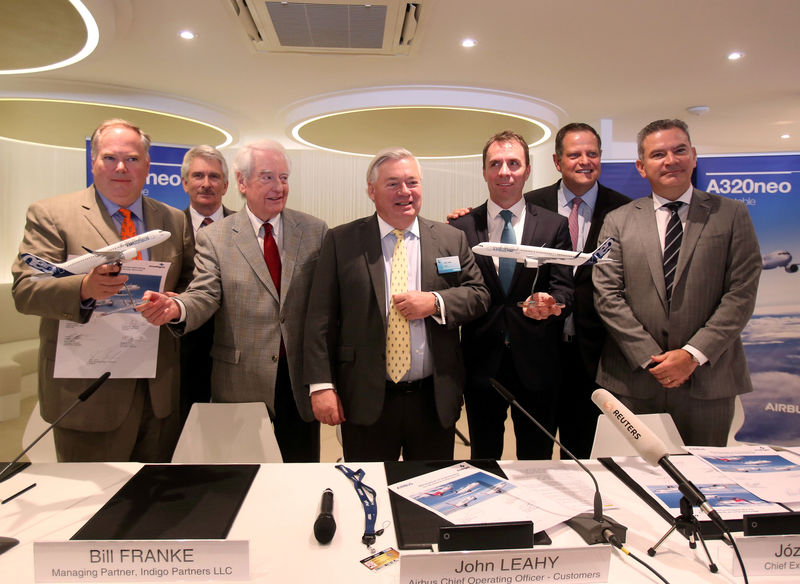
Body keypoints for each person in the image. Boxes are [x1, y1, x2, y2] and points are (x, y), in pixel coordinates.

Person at [11, 118, 195, 462]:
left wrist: (174, 304)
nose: (121, 168)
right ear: (93, 162)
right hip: (87, 391)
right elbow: (26, 290)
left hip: (157, 392)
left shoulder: (173, 219)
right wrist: (83, 287)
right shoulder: (51, 214)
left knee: (152, 501)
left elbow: (188, 283)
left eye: (133, 159)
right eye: (110, 158)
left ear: (147, 166)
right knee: (89, 507)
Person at [139, 140, 328, 462]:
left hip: (298, 378)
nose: (279, 187)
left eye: (283, 178)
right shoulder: (216, 237)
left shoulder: (314, 230)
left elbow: (325, 304)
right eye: (267, 177)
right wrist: (177, 307)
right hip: (240, 381)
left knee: (301, 471)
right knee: (242, 475)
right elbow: (205, 294)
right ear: (242, 182)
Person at [303, 147, 490, 462]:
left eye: (412, 183)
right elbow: (320, 319)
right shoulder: (341, 241)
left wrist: (435, 301)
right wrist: (321, 386)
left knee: (432, 492)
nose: (405, 192)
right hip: (365, 397)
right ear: (371, 191)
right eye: (392, 184)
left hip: (432, 399)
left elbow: (479, 294)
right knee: (368, 491)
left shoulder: (450, 238)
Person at [593, 119, 761, 446]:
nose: (670, 160)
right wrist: (650, 357)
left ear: (694, 157)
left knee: (703, 483)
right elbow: (607, 294)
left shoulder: (731, 215)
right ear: (642, 167)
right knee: (632, 481)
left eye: (679, 150)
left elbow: (740, 294)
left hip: (707, 380)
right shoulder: (618, 220)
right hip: (634, 378)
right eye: (658, 154)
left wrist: (691, 355)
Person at [449, 130, 573, 460]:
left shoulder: (553, 226)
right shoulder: (460, 228)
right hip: (480, 363)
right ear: (485, 171)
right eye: (496, 163)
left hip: (537, 361)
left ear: (528, 170)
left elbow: (564, 287)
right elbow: (453, 291)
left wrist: (552, 303)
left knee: (537, 459)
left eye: (514, 163)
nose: (505, 171)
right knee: (483, 457)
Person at [525, 123, 630, 458]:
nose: (585, 161)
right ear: (557, 161)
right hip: (539, 352)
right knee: (534, 453)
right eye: (574, 154)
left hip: (597, 357)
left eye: (592, 154)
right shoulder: (529, 205)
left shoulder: (626, 211)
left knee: (585, 456)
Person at [178, 145, 234, 423]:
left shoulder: (247, 227)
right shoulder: (167, 228)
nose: (206, 184)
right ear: (185, 182)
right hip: (182, 354)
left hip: (237, 352)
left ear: (225, 185)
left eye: (214, 177)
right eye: (198, 176)